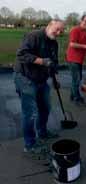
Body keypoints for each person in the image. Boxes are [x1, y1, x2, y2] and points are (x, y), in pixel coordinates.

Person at [14, 20, 64, 153]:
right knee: (30, 113)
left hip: (41, 79)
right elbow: (21, 55)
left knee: (45, 108)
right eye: (57, 29)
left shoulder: (54, 43)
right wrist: (41, 61)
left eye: (61, 31)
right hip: (25, 78)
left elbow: (53, 63)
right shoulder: (34, 36)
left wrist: (55, 79)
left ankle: (42, 132)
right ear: (49, 25)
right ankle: (29, 145)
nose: (58, 33)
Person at [66, 15, 86, 106]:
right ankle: (77, 99)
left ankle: (72, 95)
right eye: (85, 21)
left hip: (79, 59)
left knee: (76, 78)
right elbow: (72, 44)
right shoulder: (75, 30)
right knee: (77, 79)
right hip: (73, 58)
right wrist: (85, 46)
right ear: (81, 20)